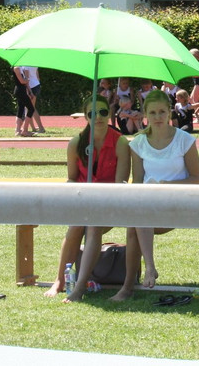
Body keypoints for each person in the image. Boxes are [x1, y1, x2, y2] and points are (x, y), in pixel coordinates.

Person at [109, 90, 199, 302]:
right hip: (148, 205)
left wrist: (168, 185)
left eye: (161, 112)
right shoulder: (138, 143)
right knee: (136, 219)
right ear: (145, 115)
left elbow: (196, 179)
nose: (158, 117)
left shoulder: (185, 140)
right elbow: (138, 182)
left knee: (137, 219)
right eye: (152, 112)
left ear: (169, 112)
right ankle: (134, 281)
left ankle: (136, 279)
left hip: (179, 203)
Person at [44, 94, 130, 302]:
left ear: (109, 114)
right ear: (86, 116)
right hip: (82, 201)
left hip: (109, 202)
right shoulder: (76, 143)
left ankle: (80, 287)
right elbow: (71, 179)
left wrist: (98, 200)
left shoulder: (120, 142)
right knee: (75, 226)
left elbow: (121, 184)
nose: (98, 117)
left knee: (92, 225)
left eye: (103, 112)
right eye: (92, 113)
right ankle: (59, 280)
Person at [20, 66, 46, 134]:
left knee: (31, 108)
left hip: (31, 87)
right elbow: (37, 76)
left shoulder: (25, 66)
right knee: (29, 108)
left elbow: (27, 79)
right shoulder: (34, 64)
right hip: (36, 85)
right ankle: (33, 128)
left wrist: (28, 90)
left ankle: (41, 128)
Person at [12, 66, 35, 137]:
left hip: (22, 90)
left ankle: (18, 130)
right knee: (31, 109)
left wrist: (30, 92)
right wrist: (27, 80)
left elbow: (25, 83)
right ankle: (25, 130)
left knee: (21, 109)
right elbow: (22, 81)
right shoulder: (16, 68)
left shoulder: (21, 68)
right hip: (20, 91)